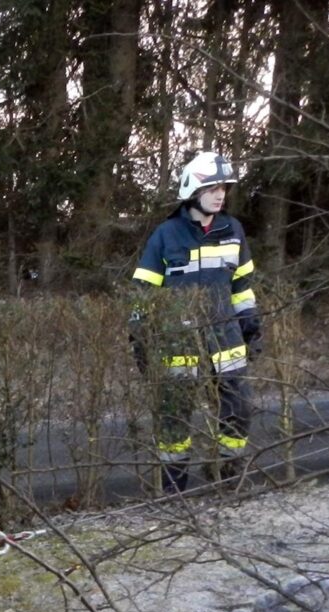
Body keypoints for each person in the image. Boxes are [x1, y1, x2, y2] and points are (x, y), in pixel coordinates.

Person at [131, 150, 262, 492]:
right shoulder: (166, 234)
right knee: (174, 415)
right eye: (213, 188)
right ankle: (175, 490)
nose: (220, 195)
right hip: (178, 341)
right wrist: (140, 337)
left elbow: (242, 287)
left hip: (226, 337)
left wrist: (250, 325)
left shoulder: (233, 230)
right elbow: (143, 293)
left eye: (224, 188)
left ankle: (229, 478)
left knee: (239, 408)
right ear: (193, 190)